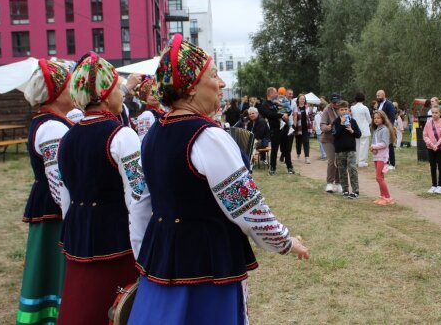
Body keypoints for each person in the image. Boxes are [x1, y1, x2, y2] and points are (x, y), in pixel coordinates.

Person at [128, 34, 309, 324]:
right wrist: (286, 241)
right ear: (189, 89)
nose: (222, 83)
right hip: (205, 269)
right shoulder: (207, 136)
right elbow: (248, 207)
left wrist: (144, 253)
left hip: (161, 262)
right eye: (213, 75)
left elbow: (140, 204)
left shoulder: (151, 136)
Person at [56, 52, 152, 324]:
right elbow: (139, 198)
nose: (122, 94)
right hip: (116, 241)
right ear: (107, 94)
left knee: (81, 307)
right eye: (117, 88)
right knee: (114, 310)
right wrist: (144, 252)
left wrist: (75, 229)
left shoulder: (67, 137)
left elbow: (65, 198)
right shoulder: (122, 135)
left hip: (78, 238)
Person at [18, 58, 74, 324]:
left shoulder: (50, 122)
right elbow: (58, 180)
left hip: (51, 209)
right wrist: (72, 214)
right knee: (53, 268)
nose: (73, 91)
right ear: (56, 92)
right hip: (55, 212)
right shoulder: (52, 127)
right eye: (69, 85)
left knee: (51, 270)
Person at [259, 87, 294, 175]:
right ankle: (273, 168)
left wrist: (286, 114)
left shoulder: (279, 100)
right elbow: (269, 114)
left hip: (284, 128)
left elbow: (288, 109)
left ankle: (290, 167)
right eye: (275, 93)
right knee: (274, 149)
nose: (277, 95)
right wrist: (281, 115)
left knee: (286, 149)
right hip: (275, 130)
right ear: (270, 93)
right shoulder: (265, 104)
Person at [332, 100, 361, 198]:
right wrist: (341, 124)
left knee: (352, 169)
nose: (344, 111)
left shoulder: (353, 121)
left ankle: (355, 191)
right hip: (339, 150)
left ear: (349, 110)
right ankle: (345, 190)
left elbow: (358, 134)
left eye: (346, 109)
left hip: (351, 149)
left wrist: (352, 130)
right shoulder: (335, 122)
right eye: (341, 109)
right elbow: (335, 135)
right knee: (342, 170)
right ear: (338, 111)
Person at [371, 110, 395, 205]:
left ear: (383, 119)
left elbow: (385, 144)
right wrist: (373, 148)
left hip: (382, 157)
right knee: (381, 177)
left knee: (379, 178)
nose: (376, 120)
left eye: (378, 118)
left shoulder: (384, 130)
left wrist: (374, 147)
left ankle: (388, 197)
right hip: (377, 156)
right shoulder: (376, 129)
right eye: (375, 118)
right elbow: (374, 142)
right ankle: (382, 196)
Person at [423, 105, 441, 194]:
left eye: (436, 113)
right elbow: (425, 135)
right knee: (432, 166)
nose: (434, 114)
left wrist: (437, 144)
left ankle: (440, 185)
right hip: (430, 148)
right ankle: (433, 185)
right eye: (433, 113)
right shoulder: (428, 122)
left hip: (440, 148)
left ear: (440, 113)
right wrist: (431, 144)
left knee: (440, 167)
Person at [321, 93, 342, 192]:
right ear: (330, 102)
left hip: (339, 139)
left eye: (337, 102)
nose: (336, 104)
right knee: (332, 160)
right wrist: (327, 127)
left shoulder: (342, 109)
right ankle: (329, 183)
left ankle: (338, 183)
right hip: (328, 139)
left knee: (339, 161)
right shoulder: (327, 110)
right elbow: (322, 125)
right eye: (334, 102)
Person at [135, 76, 165, 142]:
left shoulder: (163, 111)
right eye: (151, 94)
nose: (155, 96)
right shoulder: (147, 114)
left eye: (157, 92)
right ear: (145, 97)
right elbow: (144, 140)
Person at [376, 90, 397, 168]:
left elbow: (392, 117)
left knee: (389, 145)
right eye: (377, 96)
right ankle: (386, 162)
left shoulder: (389, 104)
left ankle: (392, 163)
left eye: (379, 95)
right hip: (380, 128)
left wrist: (389, 127)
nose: (377, 97)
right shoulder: (379, 104)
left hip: (387, 128)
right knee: (383, 145)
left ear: (383, 95)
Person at [351, 92, 372, 168]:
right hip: (364, 129)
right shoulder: (365, 108)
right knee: (364, 146)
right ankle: (362, 162)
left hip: (355, 129)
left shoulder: (352, 108)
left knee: (357, 145)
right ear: (363, 99)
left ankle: (356, 161)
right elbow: (369, 119)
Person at [292, 94, 313, 164]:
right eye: (301, 99)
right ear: (298, 100)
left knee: (306, 142)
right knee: (298, 143)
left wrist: (312, 125)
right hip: (298, 128)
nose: (302, 100)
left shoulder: (308, 108)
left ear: (305, 100)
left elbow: (311, 117)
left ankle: (307, 158)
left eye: (303, 99)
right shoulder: (296, 108)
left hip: (306, 128)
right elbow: (294, 118)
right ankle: (298, 152)